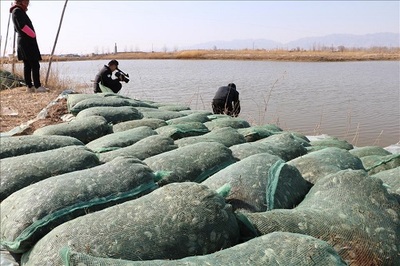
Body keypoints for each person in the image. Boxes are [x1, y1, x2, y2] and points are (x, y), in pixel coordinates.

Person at [10, 0, 48, 93]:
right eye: (25, 1)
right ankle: (37, 86)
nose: (27, 3)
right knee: (34, 64)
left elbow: (16, 29)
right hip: (26, 41)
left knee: (27, 65)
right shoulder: (17, 11)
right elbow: (22, 26)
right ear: (20, 1)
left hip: (24, 41)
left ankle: (29, 87)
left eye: (28, 1)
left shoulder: (17, 11)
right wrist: (32, 34)